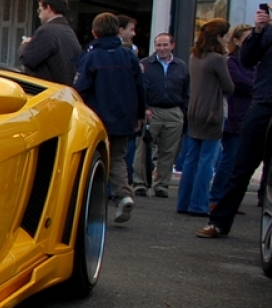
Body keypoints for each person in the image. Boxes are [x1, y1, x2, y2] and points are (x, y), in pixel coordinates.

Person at [199, 0, 272, 238]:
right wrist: (259, 31)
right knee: (241, 165)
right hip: (264, 101)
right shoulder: (266, 30)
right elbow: (248, 59)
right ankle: (219, 221)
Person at [75, 12, 146, 224]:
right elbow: (140, 87)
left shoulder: (91, 57)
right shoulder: (129, 56)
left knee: (94, 160)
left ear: (94, 32)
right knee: (118, 158)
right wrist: (140, 114)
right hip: (124, 116)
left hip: (97, 116)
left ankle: (94, 203)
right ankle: (124, 194)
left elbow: (82, 89)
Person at [175, 19, 233, 216]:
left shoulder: (195, 57)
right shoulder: (217, 59)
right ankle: (199, 204)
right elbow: (228, 87)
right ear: (218, 37)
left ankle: (184, 201)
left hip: (195, 110)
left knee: (192, 158)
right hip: (212, 112)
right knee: (207, 160)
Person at [134, 32, 189, 198]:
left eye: (165, 45)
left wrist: (183, 112)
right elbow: (138, 89)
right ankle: (140, 184)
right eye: (159, 45)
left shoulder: (181, 66)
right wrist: (144, 108)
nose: (162, 48)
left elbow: (187, 90)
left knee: (168, 151)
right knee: (143, 149)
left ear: (172, 46)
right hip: (151, 111)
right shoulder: (145, 64)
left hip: (174, 111)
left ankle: (162, 185)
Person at [210, 24, 255, 208]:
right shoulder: (231, 62)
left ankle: (229, 200)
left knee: (240, 163)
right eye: (247, 39)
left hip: (249, 117)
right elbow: (243, 84)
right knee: (229, 159)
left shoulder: (253, 62)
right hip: (234, 117)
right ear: (236, 41)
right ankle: (216, 197)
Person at [19, 0, 82, 86]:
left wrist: (25, 45)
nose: (39, 15)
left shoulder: (46, 31)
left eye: (40, 10)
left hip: (48, 90)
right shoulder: (69, 32)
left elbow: (27, 59)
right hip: (66, 91)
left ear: (48, 8)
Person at [118, 16, 141, 184]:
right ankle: (123, 187)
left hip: (123, 109)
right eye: (130, 29)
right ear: (120, 30)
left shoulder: (133, 51)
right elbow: (139, 85)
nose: (133, 34)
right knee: (120, 154)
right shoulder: (126, 55)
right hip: (123, 109)